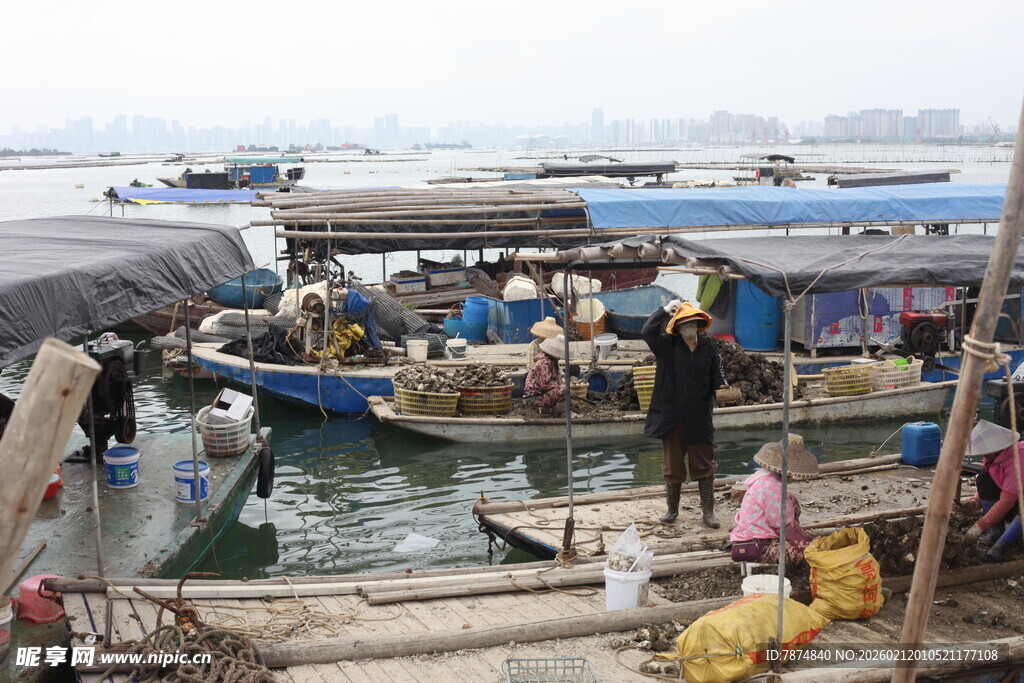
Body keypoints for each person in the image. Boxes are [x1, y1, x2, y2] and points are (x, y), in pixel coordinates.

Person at [642, 299, 728, 527]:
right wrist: (663, 311)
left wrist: (723, 387)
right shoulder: (666, 345)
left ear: (699, 324)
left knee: (704, 466)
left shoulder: (709, 347)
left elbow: (718, 374)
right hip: (671, 415)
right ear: (677, 326)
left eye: (691, 322)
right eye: (683, 323)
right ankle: (672, 511)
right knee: (673, 466)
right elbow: (647, 332)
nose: (688, 326)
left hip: (699, 416)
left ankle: (708, 513)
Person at [730, 435, 819, 565]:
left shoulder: (763, 477)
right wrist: (804, 541)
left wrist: (805, 537)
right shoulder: (773, 487)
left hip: (753, 536)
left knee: (792, 501)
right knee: (816, 551)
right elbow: (784, 526)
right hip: (758, 545)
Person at [964, 420, 1024, 562]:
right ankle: (996, 532)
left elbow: (1007, 501)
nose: (984, 456)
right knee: (983, 480)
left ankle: (1000, 548)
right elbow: (989, 483)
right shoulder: (991, 458)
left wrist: (980, 526)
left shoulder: (1018, 458)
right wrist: (975, 501)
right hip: (1016, 496)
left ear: (996, 447)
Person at [524, 334, 570, 414]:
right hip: (534, 398)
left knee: (565, 389)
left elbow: (559, 381)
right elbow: (545, 384)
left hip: (544, 394)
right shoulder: (544, 363)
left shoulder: (553, 363)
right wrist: (561, 388)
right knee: (563, 389)